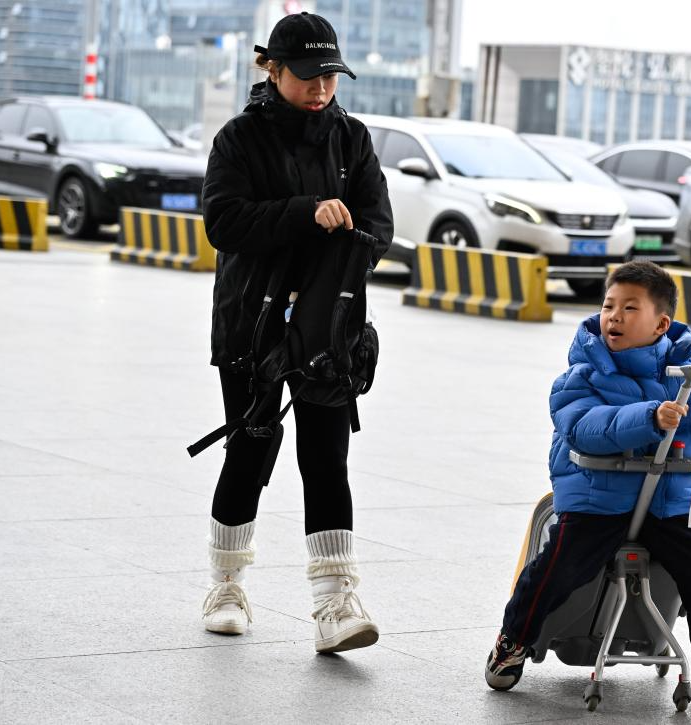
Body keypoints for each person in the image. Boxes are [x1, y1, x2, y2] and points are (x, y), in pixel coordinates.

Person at [484, 261, 691, 712]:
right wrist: (649, 418)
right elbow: (584, 426)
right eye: (608, 305)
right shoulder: (583, 374)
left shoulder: (689, 373)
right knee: (560, 562)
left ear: (660, 323)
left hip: (668, 506)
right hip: (599, 500)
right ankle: (514, 639)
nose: (613, 316)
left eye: (628, 308)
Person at [198, 11, 393, 654]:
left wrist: (342, 255)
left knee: (326, 460)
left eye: (331, 76)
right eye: (308, 76)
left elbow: (378, 226)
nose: (321, 89)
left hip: (328, 329)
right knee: (250, 452)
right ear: (272, 70)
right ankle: (226, 586)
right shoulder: (237, 140)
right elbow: (224, 223)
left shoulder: (353, 139)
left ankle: (335, 603)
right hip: (252, 322)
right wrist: (306, 214)